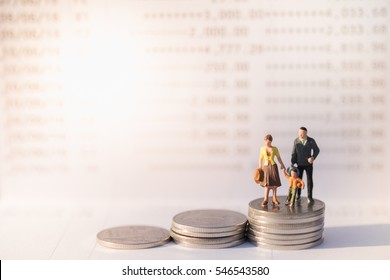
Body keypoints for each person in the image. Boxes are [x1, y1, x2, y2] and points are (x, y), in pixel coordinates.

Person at [291, 127, 320, 204]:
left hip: (308, 164)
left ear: (306, 133)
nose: (301, 134)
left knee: (309, 180)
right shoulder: (296, 141)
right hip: (299, 164)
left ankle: (309, 197)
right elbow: (294, 153)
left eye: (302, 133)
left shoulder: (311, 141)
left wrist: (313, 157)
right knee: (298, 180)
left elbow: (317, 150)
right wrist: (292, 163)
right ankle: (298, 195)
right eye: (299, 133)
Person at [259, 134, 286, 206]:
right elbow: (261, 158)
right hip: (266, 167)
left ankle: (274, 198)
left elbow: (278, 158)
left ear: (271, 141)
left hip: (273, 167)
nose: (267, 142)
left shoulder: (275, 149)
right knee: (266, 184)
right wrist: (260, 167)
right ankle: (266, 199)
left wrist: (282, 165)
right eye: (266, 140)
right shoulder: (262, 148)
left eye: (268, 140)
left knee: (274, 184)